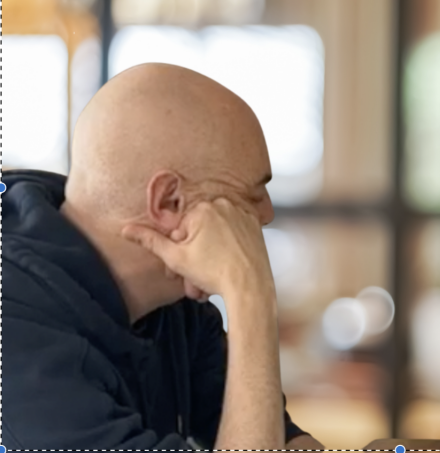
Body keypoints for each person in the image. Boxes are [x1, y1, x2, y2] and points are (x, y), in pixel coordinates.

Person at [2, 63, 326, 450]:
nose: (266, 215)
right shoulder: (19, 348)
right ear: (168, 201)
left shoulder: (173, 302)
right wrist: (251, 297)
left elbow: (275, 439)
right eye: (250, 196)